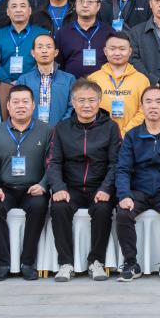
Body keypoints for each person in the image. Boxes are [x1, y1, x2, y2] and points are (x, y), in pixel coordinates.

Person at [47, 80, 120, 282]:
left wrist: (106, 188)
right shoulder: (62, 128)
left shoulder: (111, 128)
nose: (86, 105)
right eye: (81, 100)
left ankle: (96, 261)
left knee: (103, 209)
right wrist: (59, 188)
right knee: (59, 207)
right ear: (73, 102)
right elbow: (53, 162)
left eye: (91, 100)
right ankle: (66, 263)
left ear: (99, 101)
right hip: (71, 187)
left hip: (99, 187)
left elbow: (116, 163)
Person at [114, 86, 160, 283]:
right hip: (138, 191)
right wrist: (124, 195)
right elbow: (122, 169)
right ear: (141, 106)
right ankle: (131, 263)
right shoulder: (132, 135)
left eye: (158, 101)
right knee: (123, 213)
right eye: (148, 101)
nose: (153, 106)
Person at [0, 85, 52, 281]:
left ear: (33, 105)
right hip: (6, 189)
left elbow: (52, 164)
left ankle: (27, 263)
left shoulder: (46, 130)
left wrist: (43, 185)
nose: (20, 106)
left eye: (25, 102)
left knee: (38, 206)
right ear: (8, 106)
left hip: (34, 189)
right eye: (15, 102)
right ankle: (4, 263)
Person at [87, 32, 149, 136]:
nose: (117, 53)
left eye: (122, 49)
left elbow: (144, 110)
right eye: (112, 49)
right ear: (105, 51)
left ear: (130, 51)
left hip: (132, 137)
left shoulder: (142, 80)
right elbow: (88, 108)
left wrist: (125, 133)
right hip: (99, 136)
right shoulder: (93, 79)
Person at [55, 0, 110, 79]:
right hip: (71, 84)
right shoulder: (63, 33)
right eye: (81, 1)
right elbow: (58, 64)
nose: (85, 5)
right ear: (75, 4)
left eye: (90, 1)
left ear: (98, 6)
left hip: (102, 84)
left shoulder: (108, 32)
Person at [0, 0, 49, 82]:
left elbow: (46, 61)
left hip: (34, 83)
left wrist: (25, 81)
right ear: (7, 11)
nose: (18, 10)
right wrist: (7, 82)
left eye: (22, 6)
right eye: (14, 6)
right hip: (3, 84)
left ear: (30, 11)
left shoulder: (42, 34)